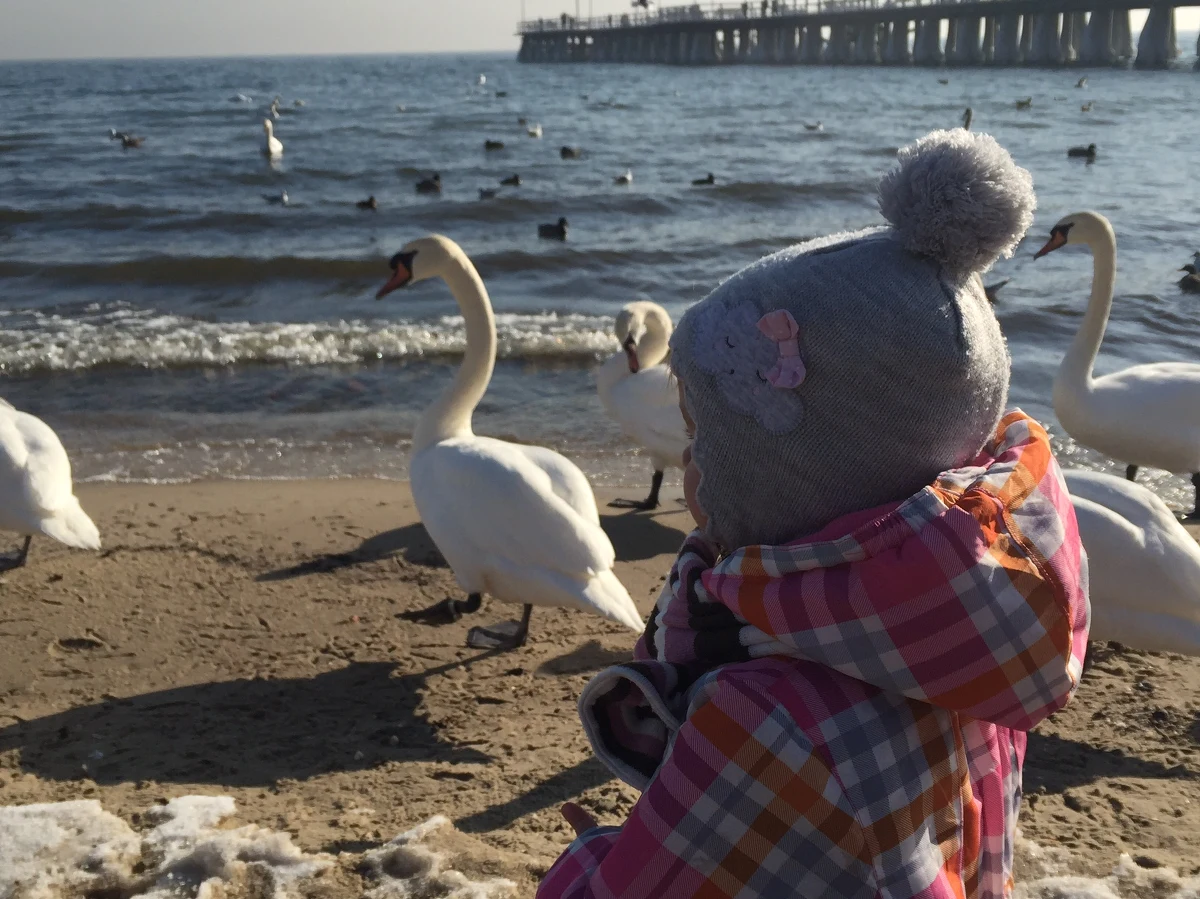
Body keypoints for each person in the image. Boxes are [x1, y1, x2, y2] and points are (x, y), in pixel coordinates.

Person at [537, 129, 1089, 899]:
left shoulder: (769, 720)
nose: (689, 466)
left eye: (703, 440)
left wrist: (589, 864)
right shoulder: (963, 633)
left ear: (798, 482)